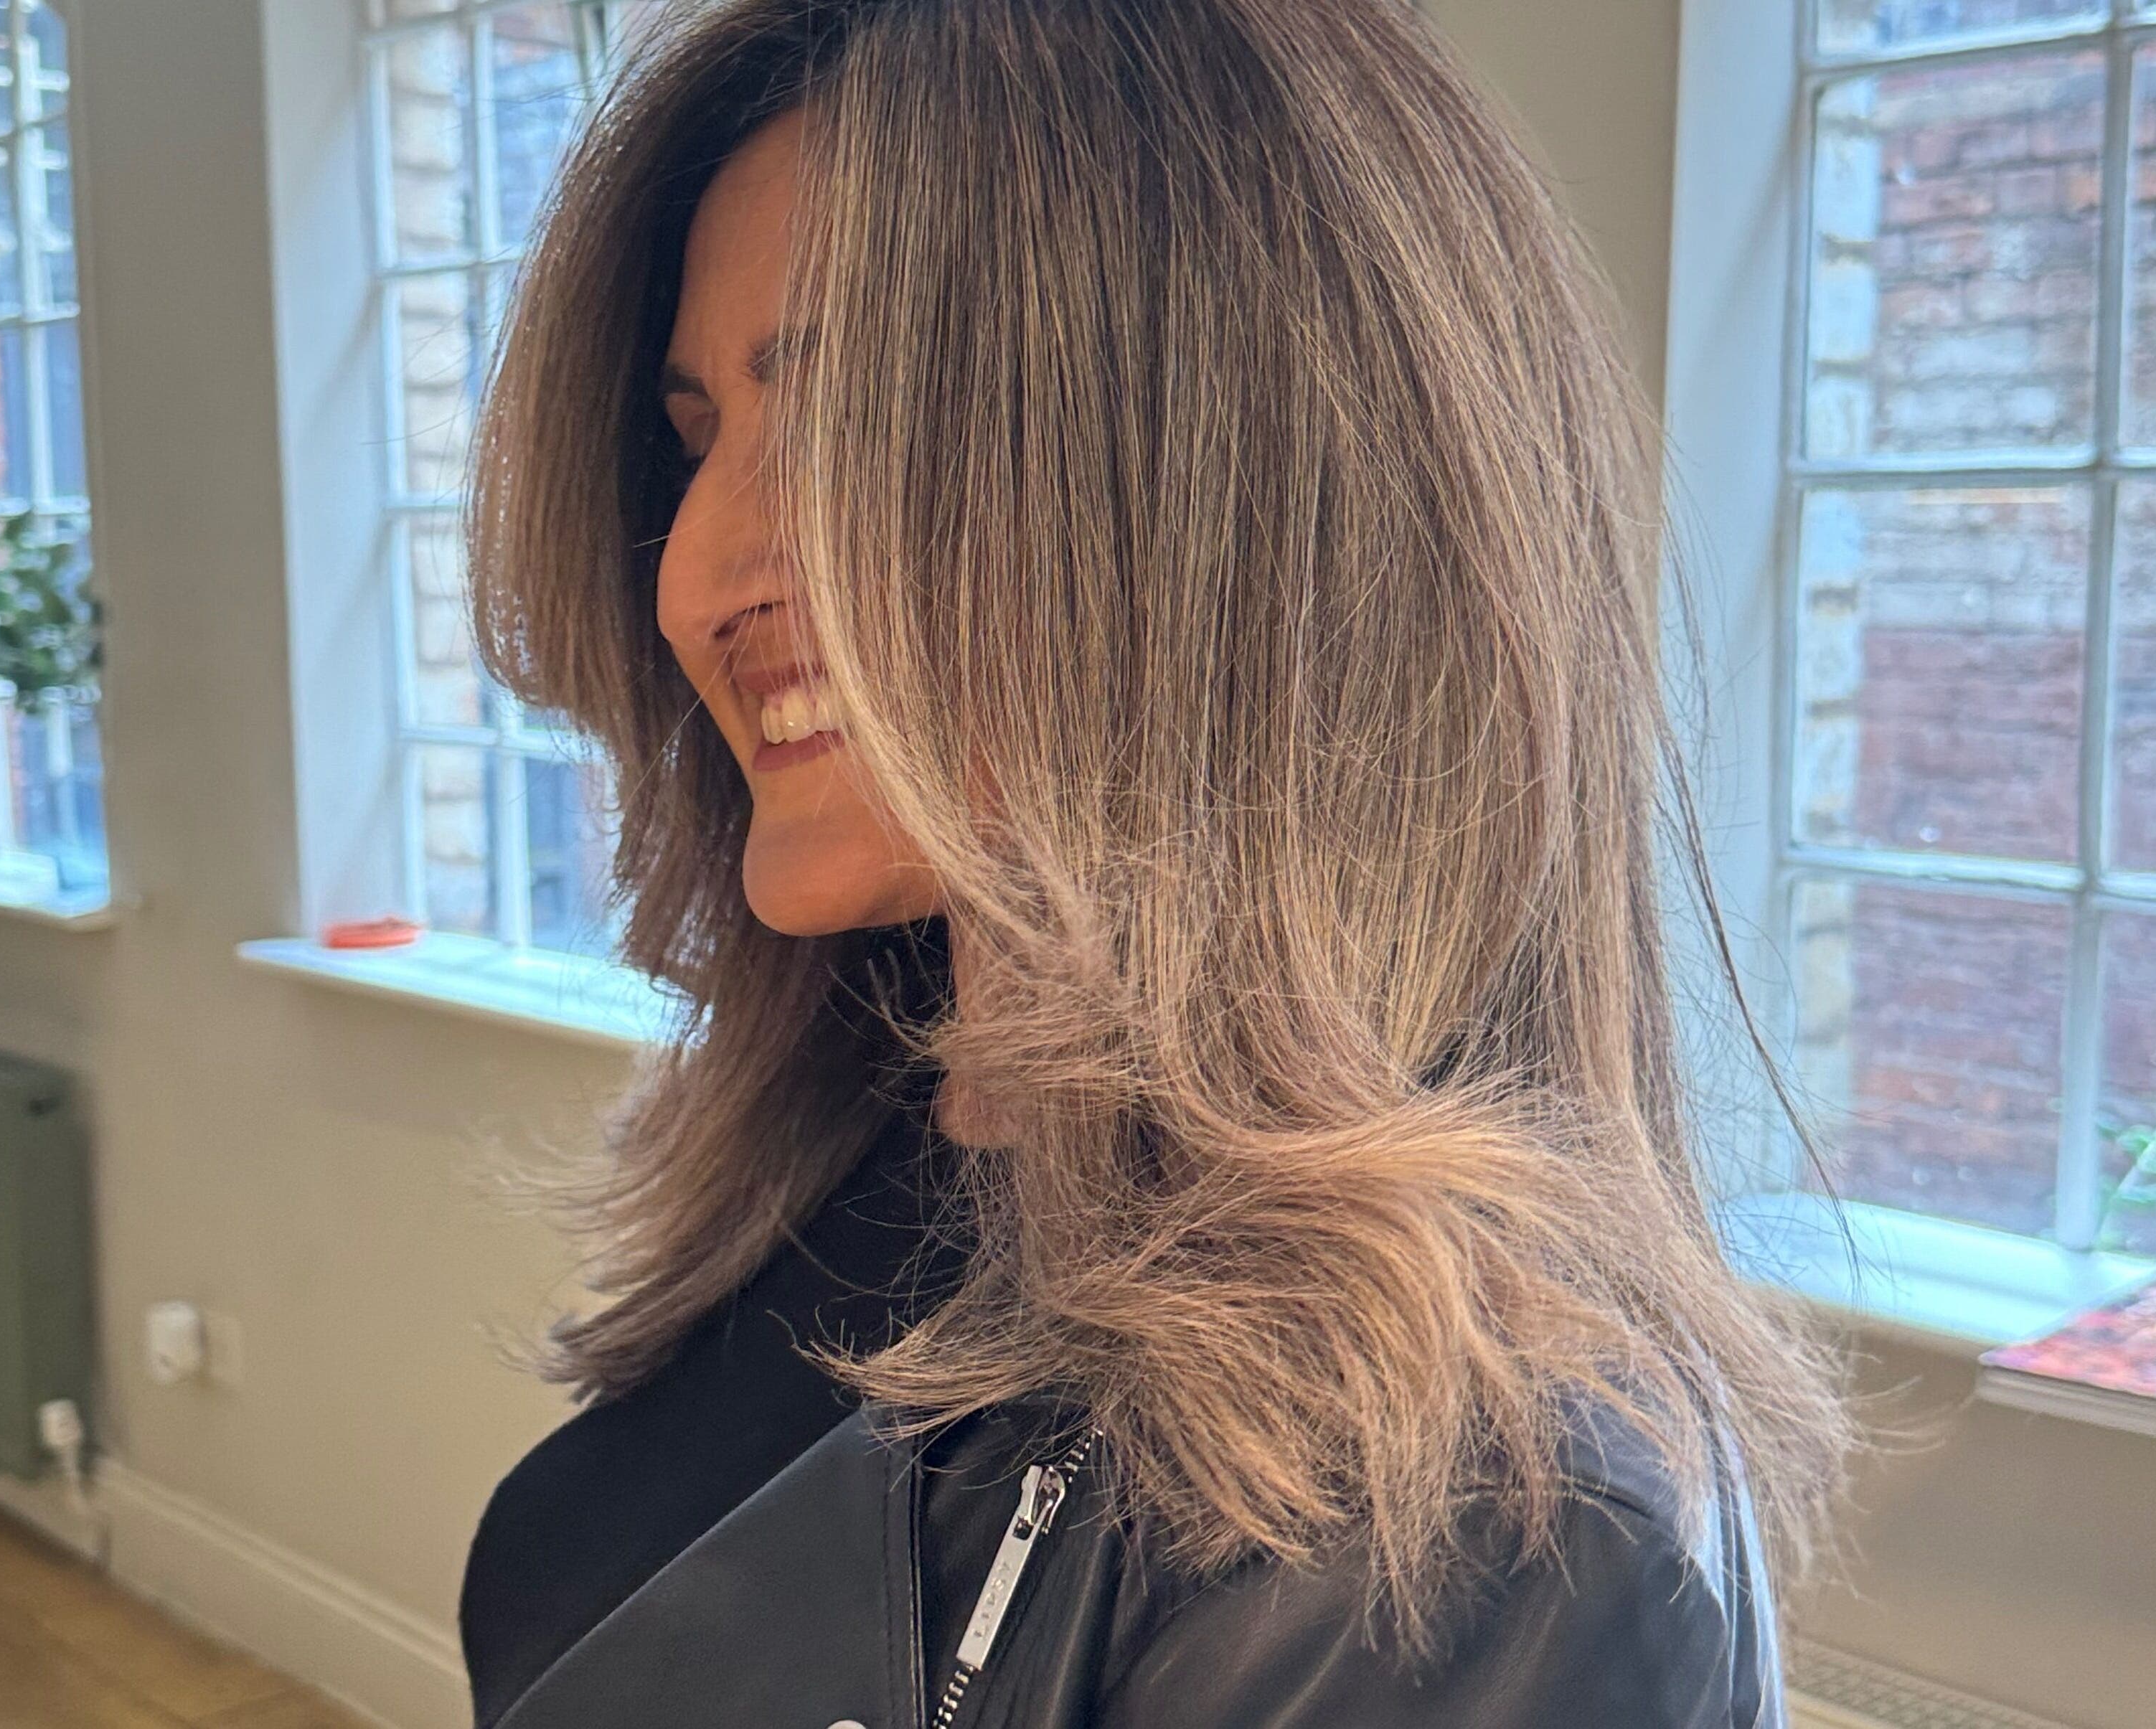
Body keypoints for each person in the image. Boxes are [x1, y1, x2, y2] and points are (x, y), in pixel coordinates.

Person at [456, 1, 1851, 1724]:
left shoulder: (1471, 1543)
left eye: (844, 424)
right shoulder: (841, 1145)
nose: (698, 581)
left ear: (1233, 495)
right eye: (696, 443)